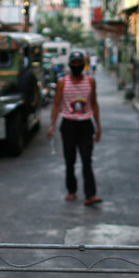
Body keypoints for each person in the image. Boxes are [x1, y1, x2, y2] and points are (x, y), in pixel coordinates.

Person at [46, 51, 102, 205]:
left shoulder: (90, 81)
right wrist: (52, 125)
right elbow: (56, 104)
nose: (76, 65)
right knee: (69, 160)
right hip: (69, 125)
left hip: (85, 125)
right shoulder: (62, 82)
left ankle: (90, 195)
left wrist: (98, 126)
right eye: (74, 63)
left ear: (83, 64)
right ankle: (71, 190)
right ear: (70, 64)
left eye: (79, 62)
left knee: (86, 160)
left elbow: (94, 103)